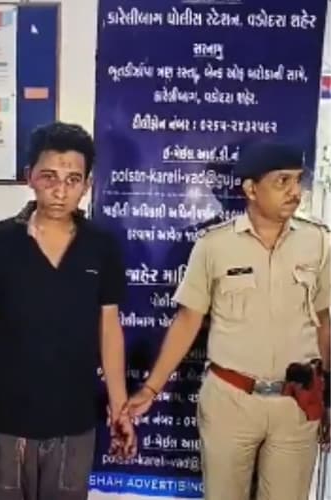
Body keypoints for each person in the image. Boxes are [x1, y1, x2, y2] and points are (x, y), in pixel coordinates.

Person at [124, 142, 331, 500]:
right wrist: (151, 388)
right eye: (282, 181)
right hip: (230, 401)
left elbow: (325, 321)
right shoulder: (214, 246)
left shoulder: (319, 242)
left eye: (298, 180)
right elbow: (188, 320)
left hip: (296, 404)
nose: (294, 192)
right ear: (251, 189)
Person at [0, 121, 136, 499]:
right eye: (49, 177)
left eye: (73, 180)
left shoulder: (101, 246)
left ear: (87, 185)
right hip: (8, 422)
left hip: (74, 423)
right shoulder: (0, 242)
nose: (60, 191)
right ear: (30, 177)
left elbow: (109, 329)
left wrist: (119, 406)